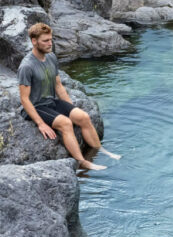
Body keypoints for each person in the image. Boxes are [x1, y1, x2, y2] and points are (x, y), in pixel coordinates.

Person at [18, 23, 119, 170]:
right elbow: (24, 99)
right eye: (45, 41)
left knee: (83, 117)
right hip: (36, 107)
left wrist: (71, 109)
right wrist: (41, 124)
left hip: (51, 102)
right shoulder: (26, 66)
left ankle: (101, 150)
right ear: (34, 41)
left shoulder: (51, 57)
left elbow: (58, 85)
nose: (49, 44)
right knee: (65, 123)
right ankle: (82, 162)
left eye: (50, 40)